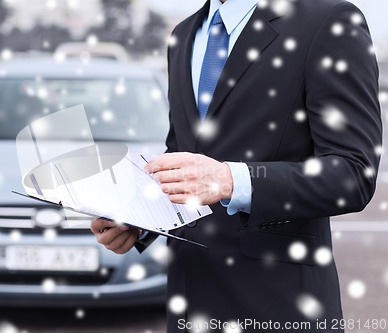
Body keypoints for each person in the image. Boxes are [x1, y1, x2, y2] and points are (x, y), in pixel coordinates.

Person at [91, 0, 382, 332]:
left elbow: (353, 173)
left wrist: (232, 180)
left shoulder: (327, 21)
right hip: (190, 302)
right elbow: (183, 156)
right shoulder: (183, 35)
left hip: (280, 306)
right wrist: (140, 217)